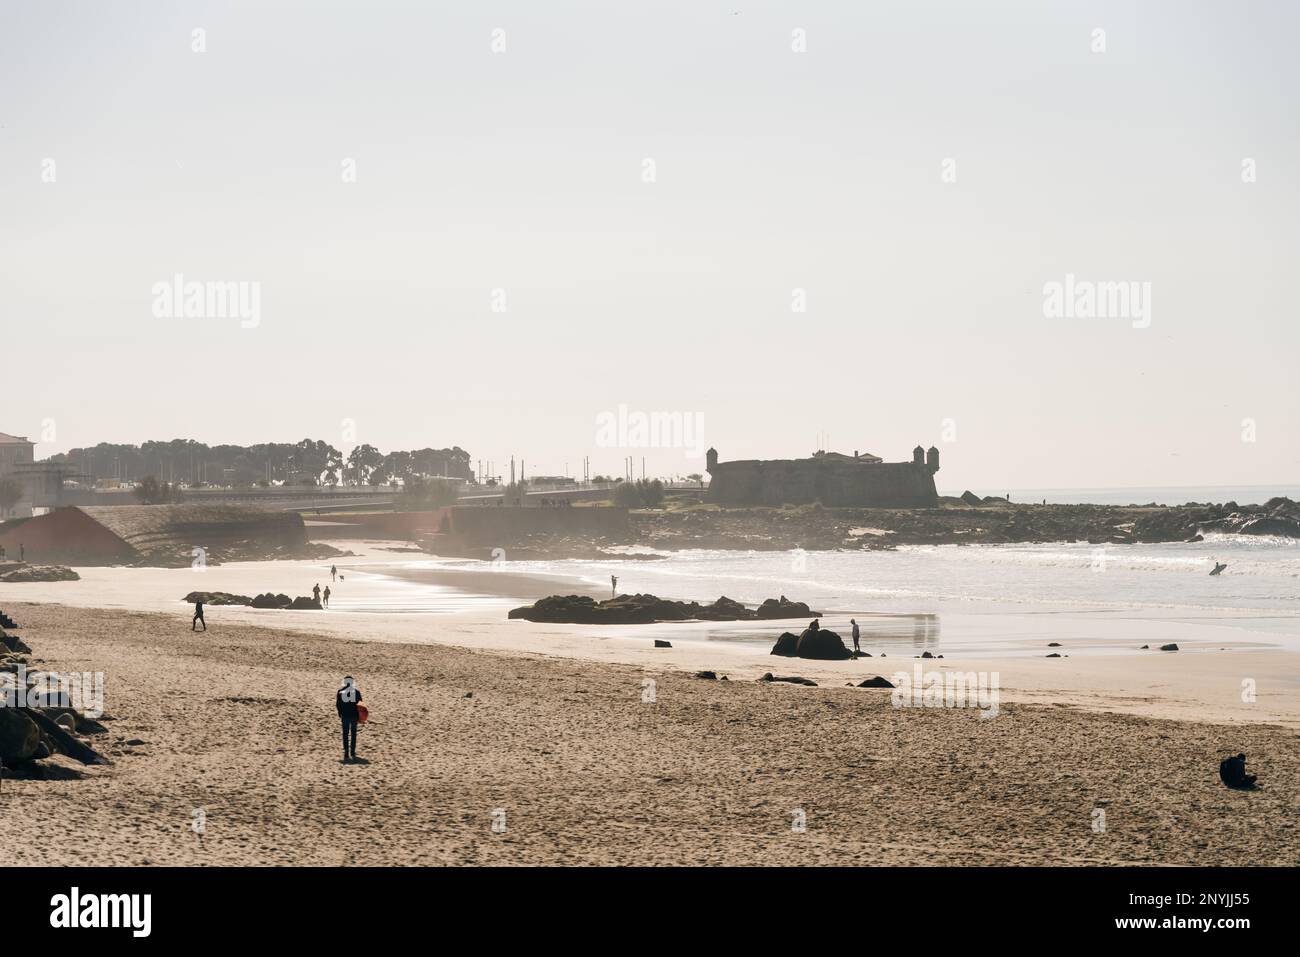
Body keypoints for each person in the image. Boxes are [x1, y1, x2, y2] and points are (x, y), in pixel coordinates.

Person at [336, 676, 363, 762]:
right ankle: (353, 751)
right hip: (354, 716)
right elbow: (361, 704)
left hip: (345, 716)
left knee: (345, 734)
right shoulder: (357, 692)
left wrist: (340, 713)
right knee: (353, 733)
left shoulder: (340, 692)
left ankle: (346, 751)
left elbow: (338, 705)